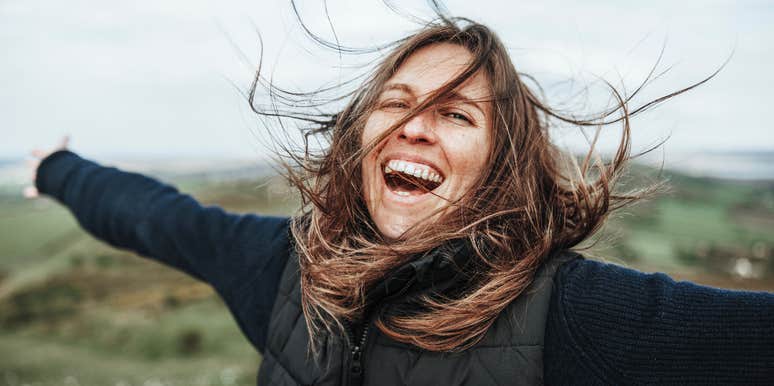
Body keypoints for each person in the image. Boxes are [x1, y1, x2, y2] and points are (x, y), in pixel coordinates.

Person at [26, 17, 774, 386]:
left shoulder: (571, 311)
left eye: (456, 114)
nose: (414, 126)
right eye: (396, 103)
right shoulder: (283, 268)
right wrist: (58, 170)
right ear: (361, 136)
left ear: (501, 166)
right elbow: (159, 219)